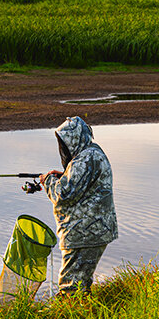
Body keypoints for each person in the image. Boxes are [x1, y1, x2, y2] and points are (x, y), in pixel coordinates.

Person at [38, 116, 117, 297]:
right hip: (94, 231)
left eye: (65, 141)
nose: (63, 146)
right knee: (81, 284)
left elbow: (62, 195)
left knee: (70, 288)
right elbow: (80, 184)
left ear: (73, 138)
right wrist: (65, 174)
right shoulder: (92, 153)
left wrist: (48, 180)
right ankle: (85, 315)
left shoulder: (85, 159)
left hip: (85, 233)